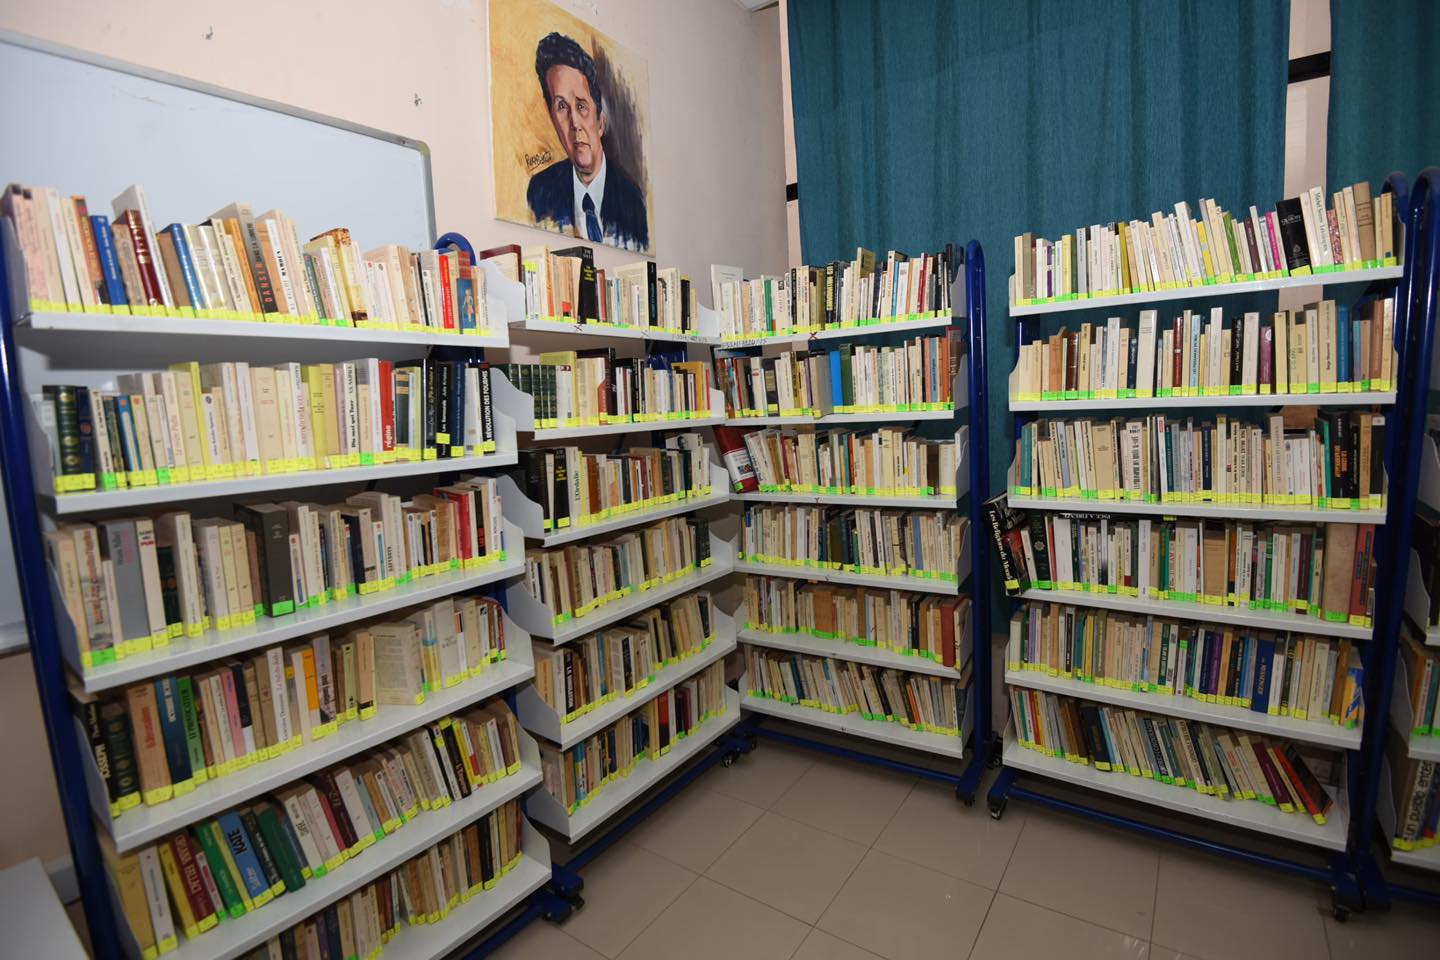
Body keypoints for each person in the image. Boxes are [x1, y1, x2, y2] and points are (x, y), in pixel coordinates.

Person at [527, 31, 649, 251]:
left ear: (600, 122)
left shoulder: (633, 203)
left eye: (581, 106)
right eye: (562, 107)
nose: (574, 123)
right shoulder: (539, 193)